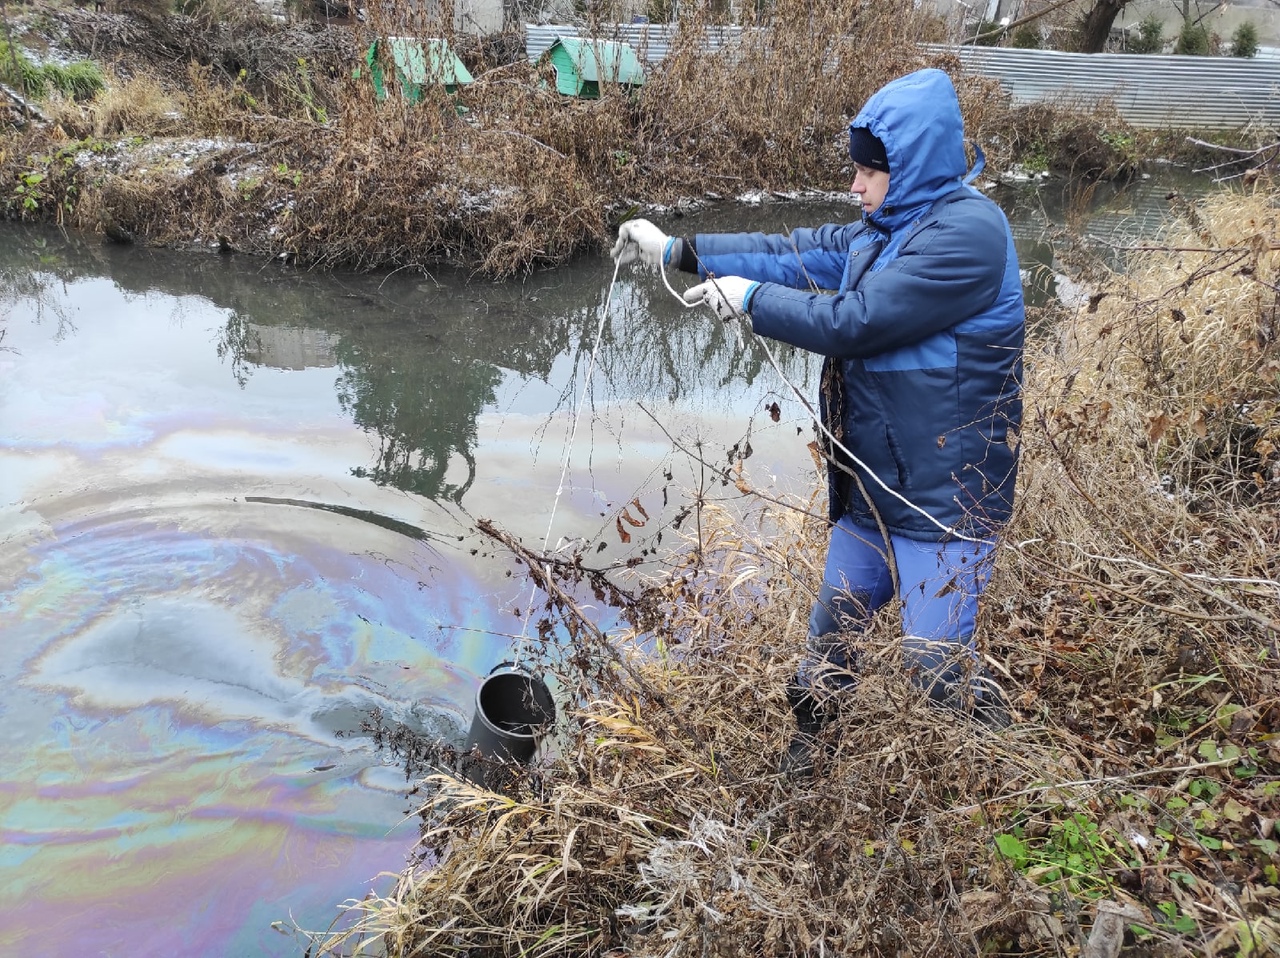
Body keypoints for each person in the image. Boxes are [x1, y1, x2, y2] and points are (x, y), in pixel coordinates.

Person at [611, 67, 1025, 776]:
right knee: (830, 637)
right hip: (870, 489)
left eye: (870, 171)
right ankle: (809, 756)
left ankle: (1004, 766)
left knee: (935, 667)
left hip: (946, 498)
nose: (855, 187)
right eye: (856, 169)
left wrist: (750, 301)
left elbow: (858, 322)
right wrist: (677, 251)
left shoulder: (970, 236)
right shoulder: (880, 229)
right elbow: (792, 252)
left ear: (916, 166)